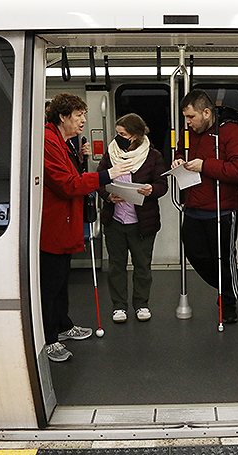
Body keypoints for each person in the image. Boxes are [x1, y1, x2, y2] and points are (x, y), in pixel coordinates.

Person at [41, 93, 133, 362]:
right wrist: (108, 175)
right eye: (79, 115)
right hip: (53, 224)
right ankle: (49, 339)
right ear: (62, 116)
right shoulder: (48, 141)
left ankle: (63, 325)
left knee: (61, 281)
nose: (83, 120)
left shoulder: (65, 142)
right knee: (50, 284)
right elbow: (67, 185)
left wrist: (81, 160)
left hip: (65, 222)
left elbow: (74, 175)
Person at [172, 90, 238, 324]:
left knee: (223, 257)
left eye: (191, 117)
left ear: (206, 113)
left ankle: (228, 303)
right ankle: (231, 280)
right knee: (195, 254)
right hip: (193, 204)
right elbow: (181, 151)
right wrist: (178, 159)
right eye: (186, 118)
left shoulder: (233, 132)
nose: (188, 122)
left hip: (222, 208)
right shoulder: (190, 133)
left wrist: (205, 165)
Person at [97, 113, 168, 323]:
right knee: (116, 266)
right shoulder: (111, 154)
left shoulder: (153, 156)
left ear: (135, 136)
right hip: (115, 220)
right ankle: (119, 306)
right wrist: (108, 195)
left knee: (142, 266)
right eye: (117, 133)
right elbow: (99, 180)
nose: (118, 137)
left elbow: (162, 185)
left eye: (123, 134)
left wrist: (151, 189)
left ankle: (141, 304)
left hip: (142, 223)